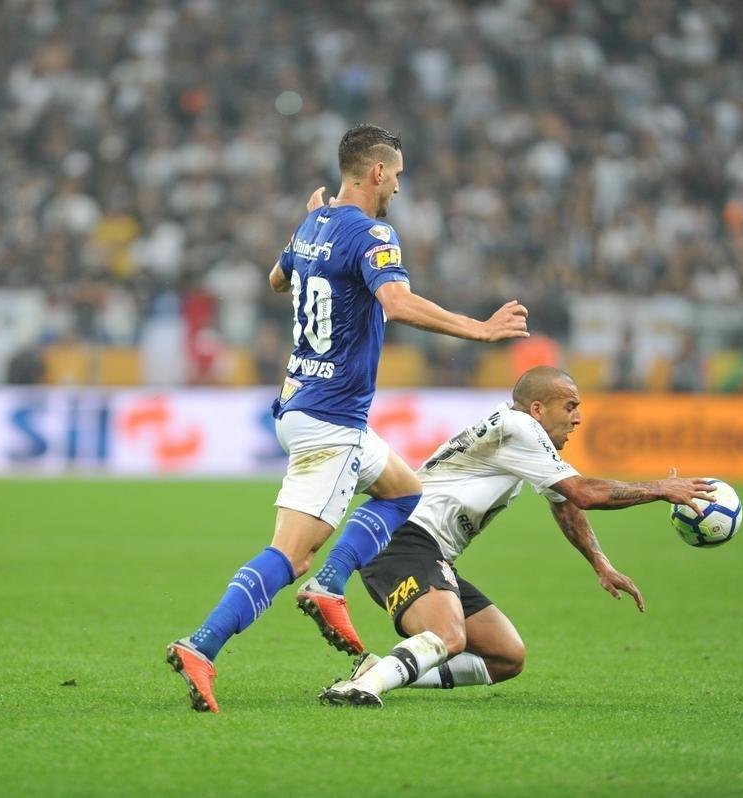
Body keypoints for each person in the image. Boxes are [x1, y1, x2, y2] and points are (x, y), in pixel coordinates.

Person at [166, 124, 531, 713]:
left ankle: (331, 586)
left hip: (304, 405)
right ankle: (202, 646)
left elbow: (277, 279)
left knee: (403, 491)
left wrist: (313, 227)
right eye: (399, 177)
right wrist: (480, 329)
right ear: (378, 173)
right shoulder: (374, 232)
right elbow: (397, 302)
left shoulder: (316, 220)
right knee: (289, 555)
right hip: (330, 421)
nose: (400, 189)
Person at [319, 366, 715, 707]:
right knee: (448, 636)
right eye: (571, 406)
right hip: (404, 540)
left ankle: (381, 669)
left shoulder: (519, 432)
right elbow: (583, 492)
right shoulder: (519, 427)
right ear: (539, 409)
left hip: (428, 550)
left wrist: (600, 562)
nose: (577, 418)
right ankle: (363, 686)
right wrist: (660, 489)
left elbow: (564, 502)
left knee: (506, 657)